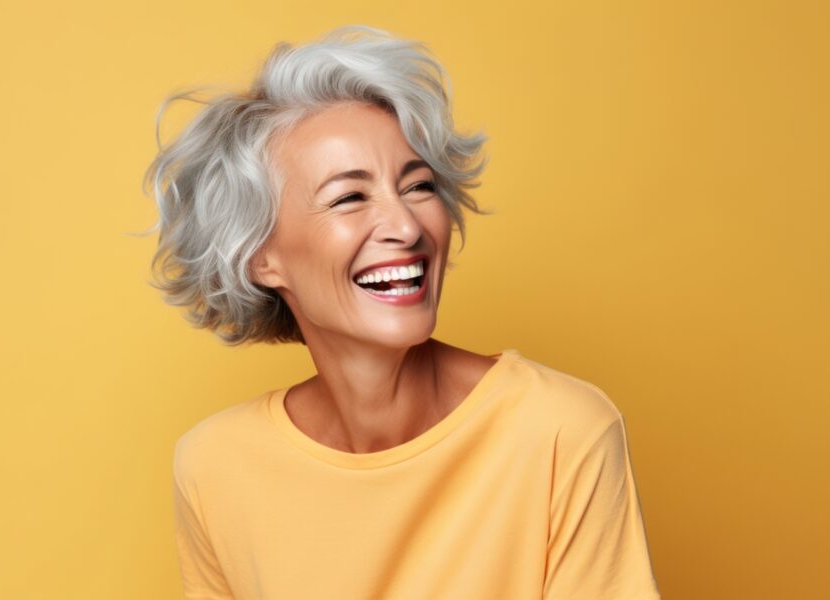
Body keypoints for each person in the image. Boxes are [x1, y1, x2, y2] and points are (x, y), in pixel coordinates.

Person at [142, 25, 662, 600]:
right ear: (260, 256)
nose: (407, 226)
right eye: (350, 197)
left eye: (417, 186)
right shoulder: (215, 466)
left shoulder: (562, 429)